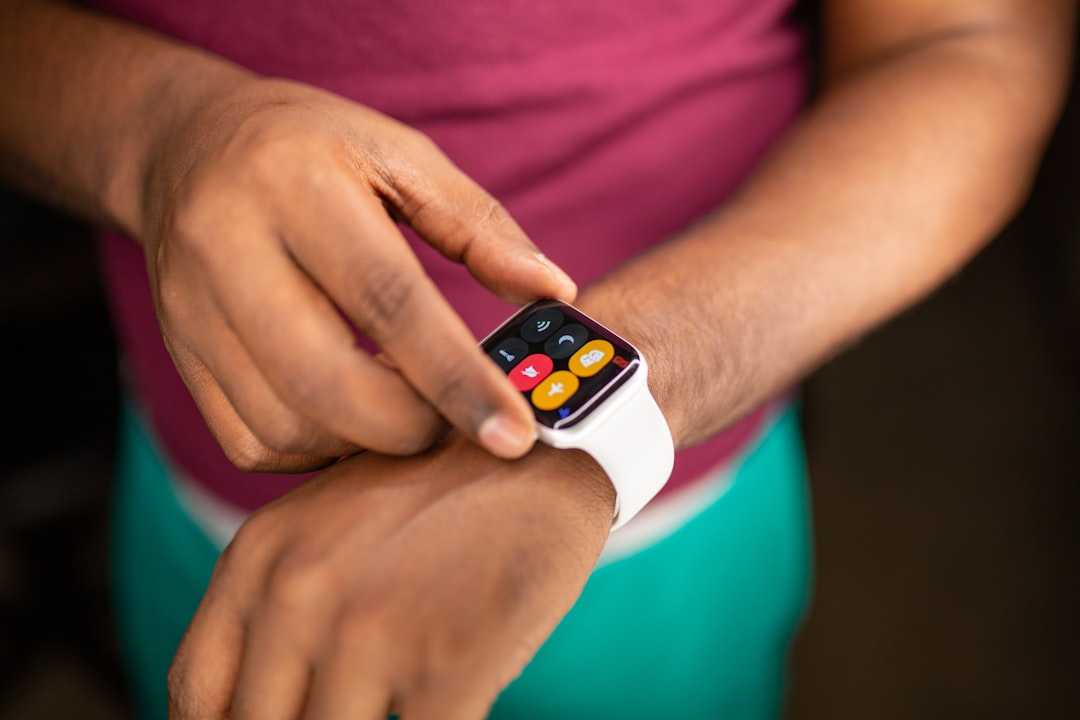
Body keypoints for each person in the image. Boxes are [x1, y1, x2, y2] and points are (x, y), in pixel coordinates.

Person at [1, 0, 1074, 718]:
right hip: (202, 499)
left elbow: (967, 41)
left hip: (668, 533)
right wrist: (148, 127)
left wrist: (597, 424)